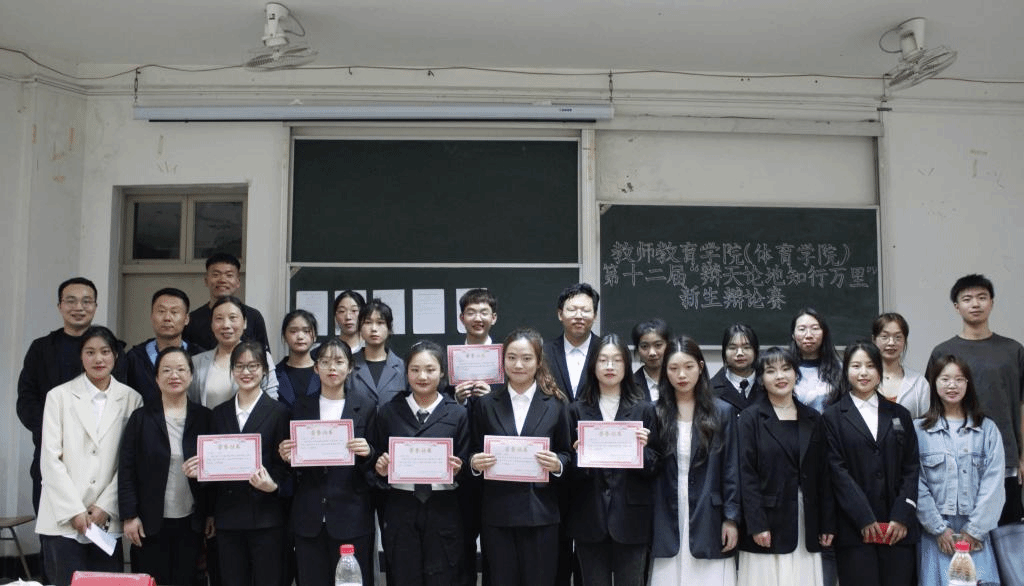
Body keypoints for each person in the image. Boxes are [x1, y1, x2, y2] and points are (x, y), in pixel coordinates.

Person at [35, 326, 143, 586]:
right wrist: (73, 510)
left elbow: (130, 463)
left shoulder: (132, 399)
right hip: (63, 518)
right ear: (81, 356)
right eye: (90, 352)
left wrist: (106, 505)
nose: (98, 359)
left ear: (115, 355)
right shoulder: (58, 396)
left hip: (105, 520)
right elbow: (50, 459)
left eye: (105, 352)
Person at [470, 328, 572, 586]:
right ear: (502, 360)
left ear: (538, 362)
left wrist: (558, 464)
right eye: (512, 357)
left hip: (541, 513)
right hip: (498, 513)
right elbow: (471, 449)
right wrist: (474, 463)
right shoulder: (486, 403)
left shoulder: (556, 404)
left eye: (526, 358)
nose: (518, 365)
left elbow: (567, 453)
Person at [185, 341, 290, 586]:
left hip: (267, 517)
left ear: (264, 370)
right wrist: (200, 473)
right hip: (227, 518)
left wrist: (274, 485)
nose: (246, 372)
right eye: (240, 366)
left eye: (253, 366)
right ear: (232, 371)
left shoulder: (279, 412)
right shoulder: (218, 414)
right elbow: (213, 468)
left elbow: (286, 467)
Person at [18, 277, 126, 513]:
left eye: (86, 301)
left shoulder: (114, 350)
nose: (79, 307)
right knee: (55, 526)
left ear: (95, 306)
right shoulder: (41, 349)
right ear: (60, 306)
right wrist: (54, 436)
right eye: (71, 301)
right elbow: (26, 400)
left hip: (104, 461)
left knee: (100, 528)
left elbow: (122, 402)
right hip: (54, 456)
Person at [278, 338, 377, 586]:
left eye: (339, 362)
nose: (332, 368)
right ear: (315, 367)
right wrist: (286, 455)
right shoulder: (300, 407)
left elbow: (376, 463)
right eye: (325, 362)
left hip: (351, 514)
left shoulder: (366, 407)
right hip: (308, 515)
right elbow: (292, 467)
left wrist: (369, 453)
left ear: (350, 367)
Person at [927, 273, 1024, 525]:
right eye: (967, 298)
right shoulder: (943, 352)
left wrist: (1022, 455)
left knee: (1007, 536)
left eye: (982, 297)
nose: (975, 304)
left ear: (992, 302)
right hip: (953, 461)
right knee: (962, 537)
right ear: (957, 306)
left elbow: (1021, 405)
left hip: (1006, 458)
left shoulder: (1013, 350)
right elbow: (933, 407)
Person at [371, 340, 470, 585]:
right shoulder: (389, 412)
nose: (422, 376)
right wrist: (380, 468)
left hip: (443, 508)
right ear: (406, 373)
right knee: (403, 575)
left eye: (430, 369)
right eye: (414, 370)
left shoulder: (457, 413)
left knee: (444, 576)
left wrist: (460, 469)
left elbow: (468, 464)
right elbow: (375, 458)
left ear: (442, 372)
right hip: (400, 506)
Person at [822, 341, 919, 586]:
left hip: (897, 529)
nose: (863, 373)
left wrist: (901, 515)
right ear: (846, 371)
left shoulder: (899, 414)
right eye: (856, 366)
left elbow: (911, 467)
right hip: (854, 530)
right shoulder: (832, 417)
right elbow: (837, 471)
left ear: (880, 370)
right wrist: (863, 517)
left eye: (870, 366)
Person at [736, 347, 834, 586]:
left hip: (806, 522)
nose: (780, 376)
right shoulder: (750, 418)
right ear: (761, 379)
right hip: (766, 523)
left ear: (796, 374)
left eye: (786, 369)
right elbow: (746, 475)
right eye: (771, 371)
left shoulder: (813, 418)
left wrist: (827, 522)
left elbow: (824, 475)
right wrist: (757, 524)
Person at [567, 334, 657, 586]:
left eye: (617, 360)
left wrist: (642, 450)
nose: (610, 366)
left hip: (631, 518)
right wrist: (578, 458)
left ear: (626, 366)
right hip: (589, 517)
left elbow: (655, 466)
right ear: (593, 365)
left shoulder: (644, 409)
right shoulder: (576, 410)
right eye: (603, 360)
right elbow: (567, 471)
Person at [650, 336, 740, 586]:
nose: (682, 375)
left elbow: (731, 469)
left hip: (709, 512)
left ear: (700, 367)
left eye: (688, 367)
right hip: (666, 510)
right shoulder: (655, 412)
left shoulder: (722, 412)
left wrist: (731, 518)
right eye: (673, 368)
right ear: (665, 371)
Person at [119, 347, 212, 585]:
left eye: (181, 369)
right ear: (157, 378)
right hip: (149, 522)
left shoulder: (205, 418)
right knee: (152, 580)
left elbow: (214, 470)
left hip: (192, 521)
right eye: (167, 370)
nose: (174, 375)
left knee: (187, 579)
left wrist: (211, 513)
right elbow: (127, 469)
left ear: (191, 376)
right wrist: (129, 516)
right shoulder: (141, 418)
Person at [915, 355, 1005, 586]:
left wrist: (973, 531)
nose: (952, 385)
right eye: (945, 379)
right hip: (934, 533)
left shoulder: (987, 429)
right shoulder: (919, 430)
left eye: (959, 379)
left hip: (977, 532)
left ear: (968, 384)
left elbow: (994, 484)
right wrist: (938, 529)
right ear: (934, 383)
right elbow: (916, 483)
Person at [189, 295, 278, 409]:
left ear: (244, 323)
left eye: (233, 318)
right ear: (211, 324)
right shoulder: (197, 362)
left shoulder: (262, 357)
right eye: (219, 319)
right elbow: (193, 406)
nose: (226, 325)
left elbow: (271, 402)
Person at [125, 287, 203, 406]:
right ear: (152, 316)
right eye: (161, 311)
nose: (167, 318)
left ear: (186, 319)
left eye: (174, 312)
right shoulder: (134, 358)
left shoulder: (199, 356)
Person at [183, 253, 270, 351]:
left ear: (238, 282)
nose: (222, 280)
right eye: (216, 275)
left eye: (229, 275)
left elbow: (264, 356)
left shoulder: (253, 317)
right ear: (206, 281)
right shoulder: (192, 320)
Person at [543, 283, 601, 401]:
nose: (579, 316)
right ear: (560, 314)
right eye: (572, 310)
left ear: (595, 315)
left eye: (585, 310)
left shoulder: (606, 350)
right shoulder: (544, 352)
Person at [871, 312, 929, 417]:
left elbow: (927, 423)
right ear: (874, 340)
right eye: (884, 336)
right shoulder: (863, 379)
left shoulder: (919, 383)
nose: (891, 343)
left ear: (904, 341)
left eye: (898, 337)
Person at [350, 299, 406, 405]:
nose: (374, 329)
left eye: (380, 323)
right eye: (368, 322)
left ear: (389, 329)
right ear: (360, 329)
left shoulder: (402, 367)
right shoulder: (349, 364)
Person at [451, 288, 500, 404]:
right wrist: (458, 399)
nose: (478, 319)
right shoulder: (451, 357)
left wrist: (491, 397)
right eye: (471, 313)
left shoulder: (505, 356)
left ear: (493, 318)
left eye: (484, 313)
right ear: (462, 318)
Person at [788, 308, 842, 414]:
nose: (808, 335)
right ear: (793, 335)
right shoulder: (784, 369)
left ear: (824, 333)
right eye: (802, 329)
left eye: (815, 328)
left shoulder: (840, 369)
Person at [711, 323, 763, 412]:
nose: (740, 353)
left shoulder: (768, 385)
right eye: (732, 348)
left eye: (746, 347)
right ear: (724, 353)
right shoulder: (710, 389)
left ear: (755, 351)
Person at [276, 309, 320, 409]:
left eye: (306, 331)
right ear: (284, 336)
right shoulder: (274, 374)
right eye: (293, 331)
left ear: (315, 336)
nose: (300, 336)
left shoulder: (324, 372)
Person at [631, 318, 671, 402]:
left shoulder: (678, 379)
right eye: (645, 346)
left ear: (668, 346)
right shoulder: (629, 386)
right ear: (637, 351)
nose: (652, 353)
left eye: (658, 345)